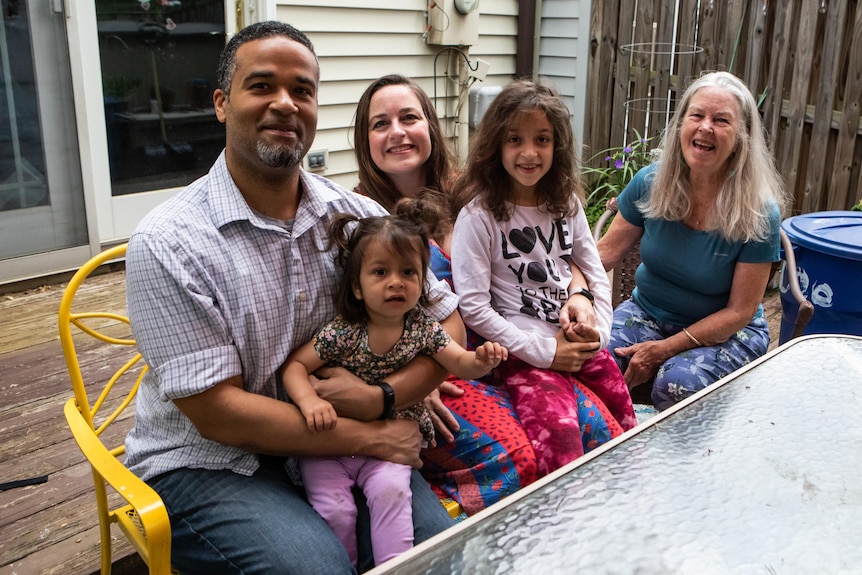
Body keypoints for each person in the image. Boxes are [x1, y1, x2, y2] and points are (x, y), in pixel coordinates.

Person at [123, 22, 460, 574]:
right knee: (320, 568)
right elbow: (217, 415)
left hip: (335, 446)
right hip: (210, 462)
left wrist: (384, 395)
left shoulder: (357, 221)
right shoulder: (169, 242)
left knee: (436, 558)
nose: (285, 103)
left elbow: (449, 328)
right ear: (220, 104)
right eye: (261, 86)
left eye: (302, 90)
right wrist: (373, 433)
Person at [353, 74, 632, 512]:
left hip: (517, 345)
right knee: (523, 456)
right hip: (442, 373)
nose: (398, 132)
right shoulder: (359, 220)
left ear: (429, 124)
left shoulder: (476, 189)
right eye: (380, 123)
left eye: (409, 117)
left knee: (598, 424)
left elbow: (560, 254)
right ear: (363, 139)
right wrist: (407, 383)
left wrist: (581, 298)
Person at [282, 213, 507, 567]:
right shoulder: (343, 332)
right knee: (334, 509)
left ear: (422, 282)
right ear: (357, 286)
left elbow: (458, 361)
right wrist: (308, 400)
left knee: (392, 494)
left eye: (408, 273)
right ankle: (347, 566)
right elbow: (296, 366)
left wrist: (481, 360)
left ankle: (396, 567)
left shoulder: (423, 329)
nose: (395, 283)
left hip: (389, 441)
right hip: (330, 442)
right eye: (380, 272)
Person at [450, 78, 636, 475]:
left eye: (543, 139)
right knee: (559, 438)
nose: (529, 152)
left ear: (558, 146)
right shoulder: (478, 216)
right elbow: (473, 307)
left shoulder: (564, 202)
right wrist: (546, 353)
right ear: (496, 145)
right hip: (523, 354)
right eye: (515, 139)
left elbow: (593, 269)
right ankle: (563, 521)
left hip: (577, 339)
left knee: (626, 417)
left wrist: (599, 333)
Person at [597, 71, 787, 410]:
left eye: (721, 120)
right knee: (596, 365)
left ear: (742, 136)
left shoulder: (758, 212)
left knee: (677, 385)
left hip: (727, 333)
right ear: (681, 124)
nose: (705, 127)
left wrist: (665, 349)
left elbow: (739, 312)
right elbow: (604, 255)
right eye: (696, 115)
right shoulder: (650, 183)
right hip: (647, 313)